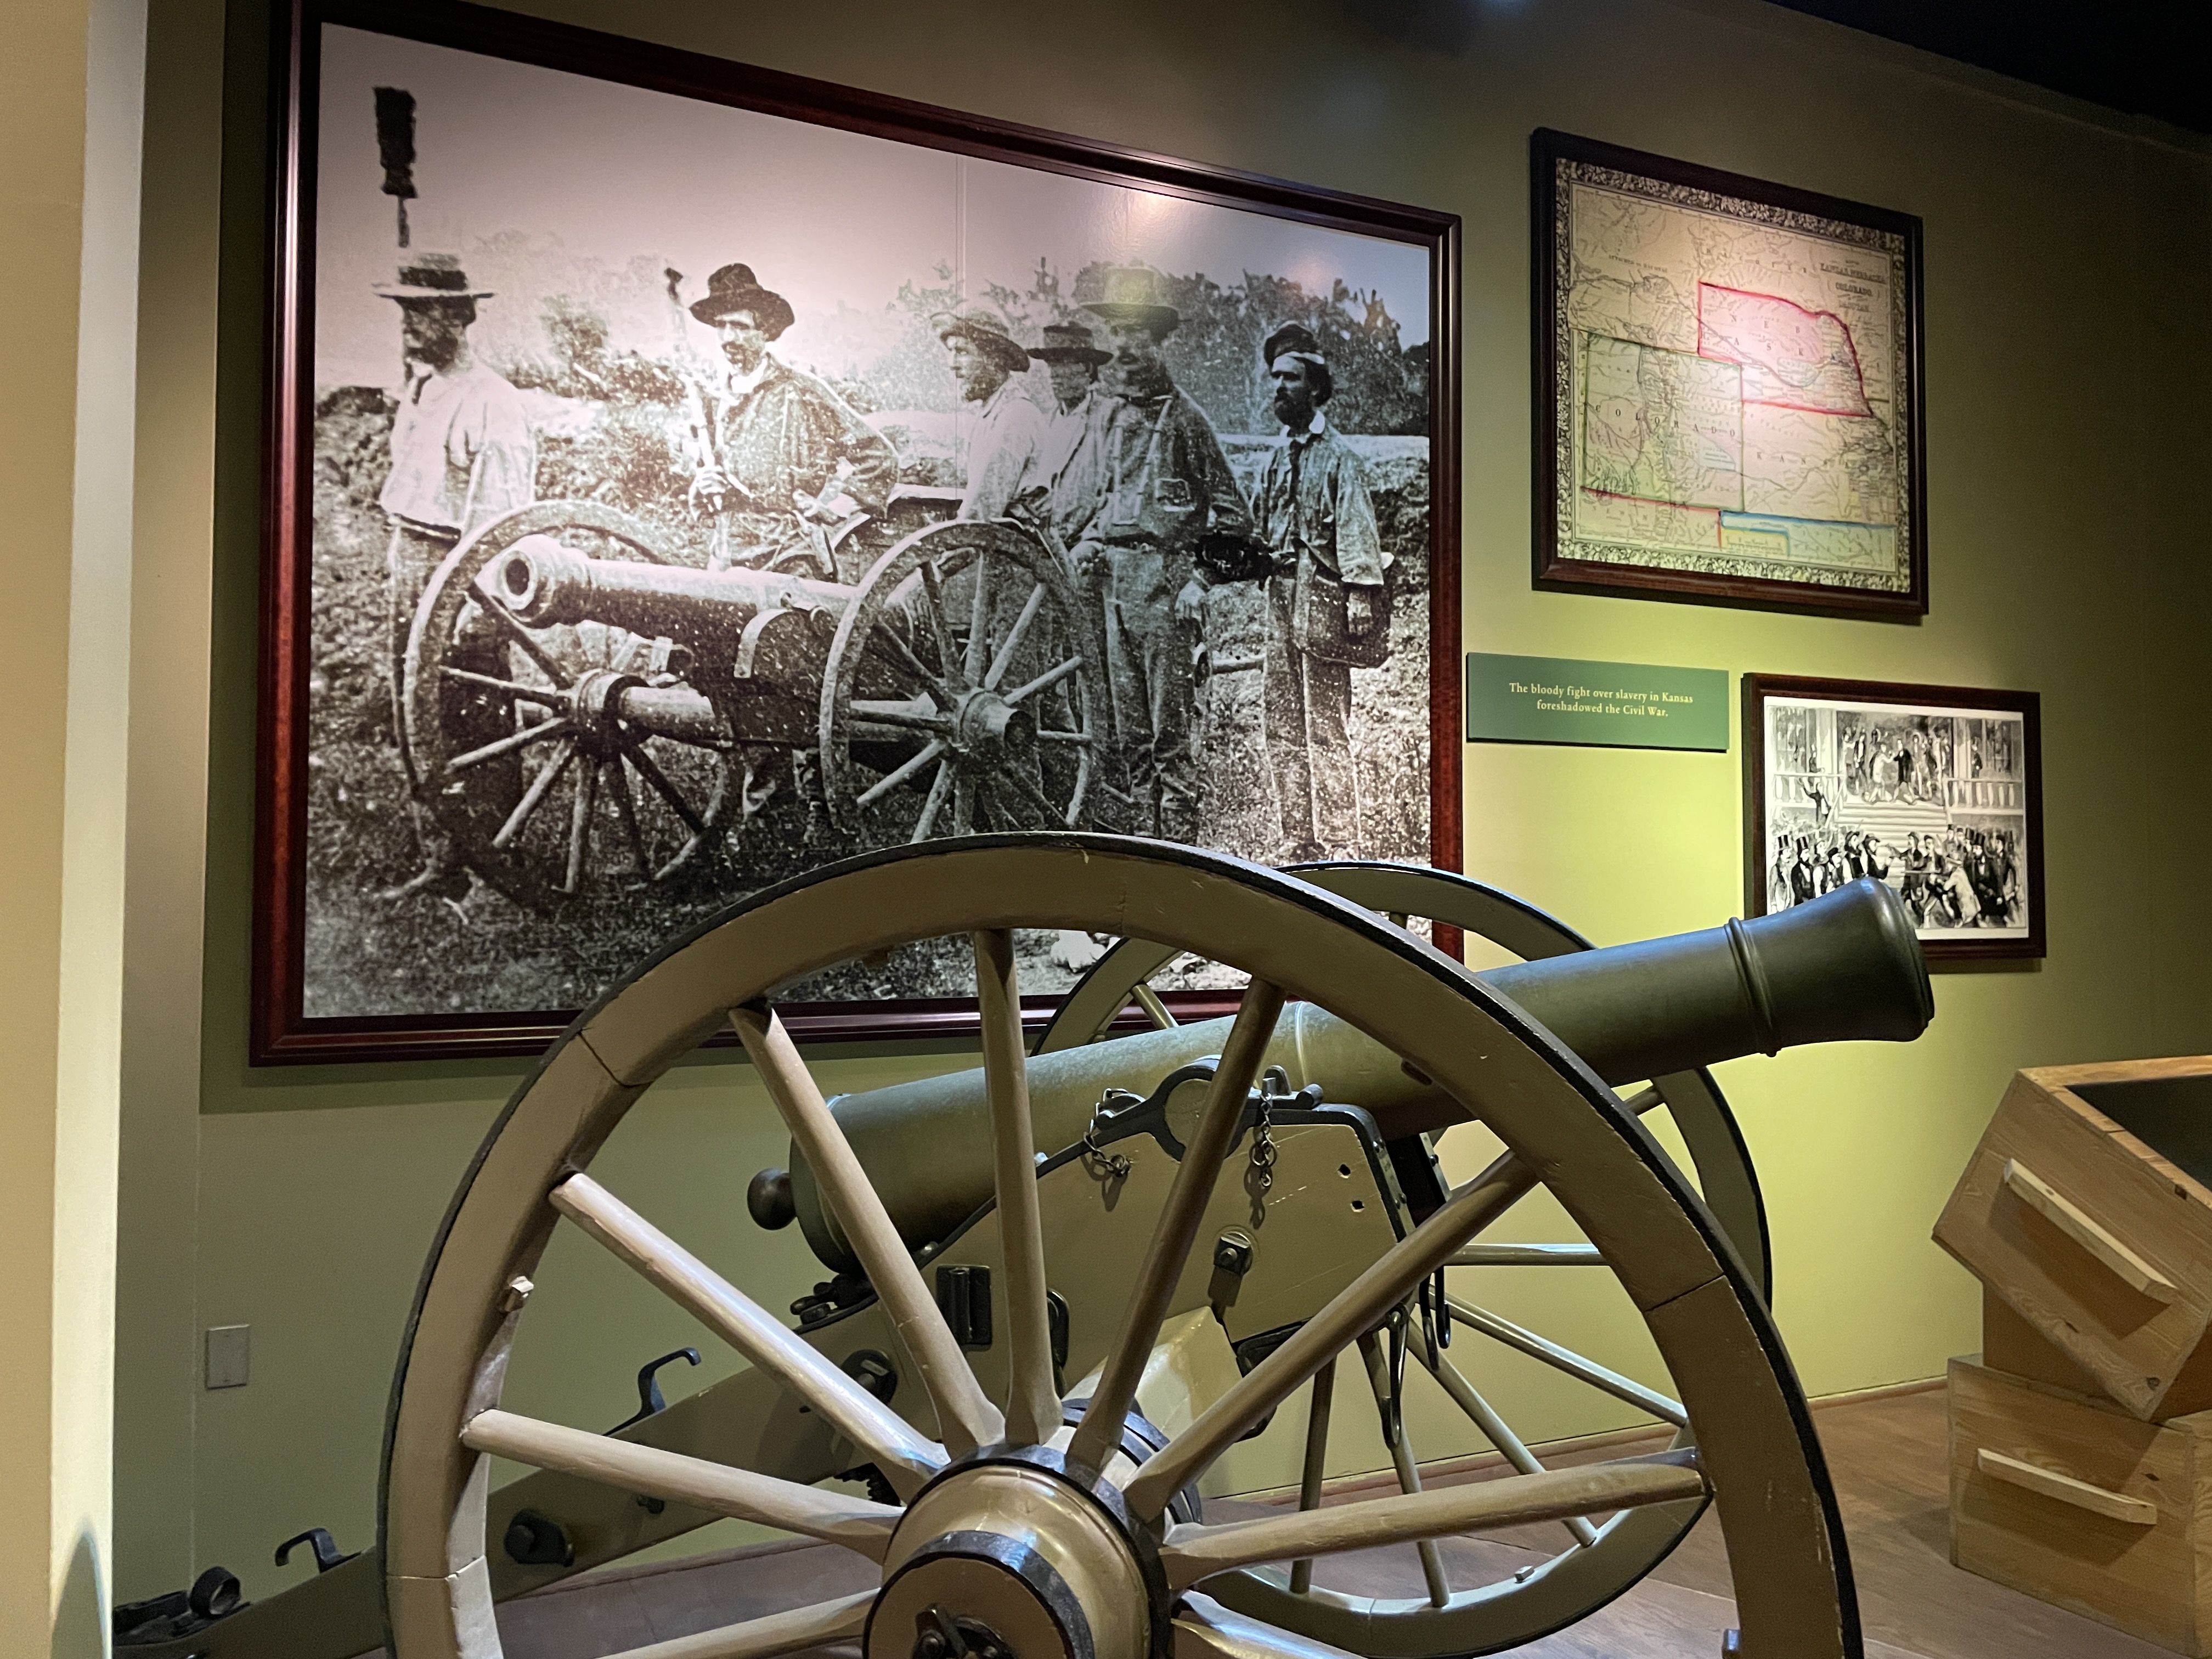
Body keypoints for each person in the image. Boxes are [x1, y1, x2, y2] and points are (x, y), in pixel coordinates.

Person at [1060, 266, 1254, 842]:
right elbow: (1104, 502)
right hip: (1115, 585)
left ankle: (1182, 861)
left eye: (1137, 336)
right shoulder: (1112, 417)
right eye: (1117, 334)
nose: (1125, 347)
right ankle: (1144, 860)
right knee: (1127, 737)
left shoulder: (1189, 421)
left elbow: (1236, 519)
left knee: (1170, 737)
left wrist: (1199, 577)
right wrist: (1093, 540)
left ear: (1159, 342)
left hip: (1166, 589)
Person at [373, 252, 537, 901]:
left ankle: (498, 860)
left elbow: (500, 514)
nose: (410, 327)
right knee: (416, 710)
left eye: (423, 313)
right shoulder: (420, 388)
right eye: (404, 313)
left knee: (475, 716)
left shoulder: (494, 402)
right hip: (410, 560)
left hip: (461, 570)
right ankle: (442, 857)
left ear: (461, 317)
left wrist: (478, 598)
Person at [1246, 321, 1388, 860]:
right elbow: (1261, 530)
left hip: (1325, 602)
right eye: (1274, 378)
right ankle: (1297, 840)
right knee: (1281, 721)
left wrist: (1360, 595)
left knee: (1326, 727)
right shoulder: (1276, 458)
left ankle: (1340, 845)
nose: (1278, 388)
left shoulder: (1340, 458)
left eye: (1290, 378)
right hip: (1279, 602)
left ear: (1315, 388)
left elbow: (1357, 531)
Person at [686, 262, 897, 577]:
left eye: (740, 327)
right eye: (721, 326)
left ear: (766, 331)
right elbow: (707, 485)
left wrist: (834, 507)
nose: (728, 338)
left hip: (789, 554)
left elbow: (878, 457)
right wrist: (702, 486)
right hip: (727, 554)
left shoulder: (801, 391)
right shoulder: (712, 400)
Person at [935, 307, 1053, 524]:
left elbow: (983, 509)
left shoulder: (1015, 416)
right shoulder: (994, 411)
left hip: (1019, 546)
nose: (952, 364)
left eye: (963, 352)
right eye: (951, 352)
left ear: (995, 359)